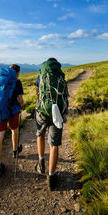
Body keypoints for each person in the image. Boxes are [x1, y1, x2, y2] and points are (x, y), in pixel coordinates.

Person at [34, 58, 68, 190]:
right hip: (57, 112)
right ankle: (51, 176)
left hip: (42, 110)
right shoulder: (61, 75)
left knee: (40, 134)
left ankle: (41, 162)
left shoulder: (41, 75)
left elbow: (38, 92)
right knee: (54, 144)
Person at [0, 64, 24, 177]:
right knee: (14, 131)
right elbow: (20, 99)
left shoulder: (2, 80)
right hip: (13, 111)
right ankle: (15, 151)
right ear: (17, 72)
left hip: (1, 111)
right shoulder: (17, 82)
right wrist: (21, 104)